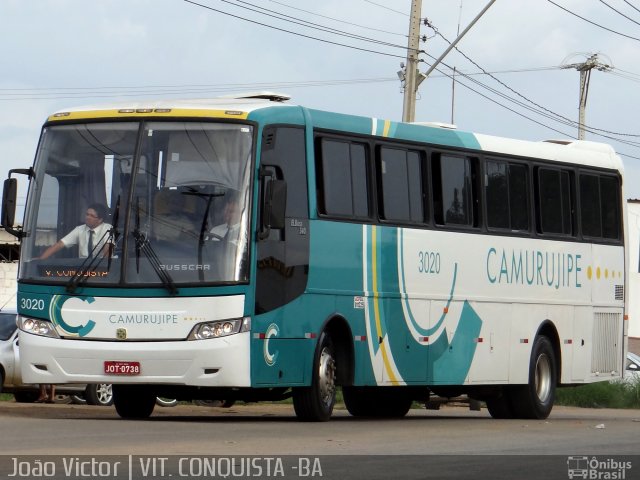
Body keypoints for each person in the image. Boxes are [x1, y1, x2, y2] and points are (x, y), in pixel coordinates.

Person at [38, 203, 113, 260]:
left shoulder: (108, 228)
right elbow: (59, 245)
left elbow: (108, 249)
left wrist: (104, 268)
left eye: (91, 216)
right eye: (87, 214)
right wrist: (40, 261)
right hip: (82, 268)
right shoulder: (79, 229)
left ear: (100, 220)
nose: (87, 217)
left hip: (100, 268)